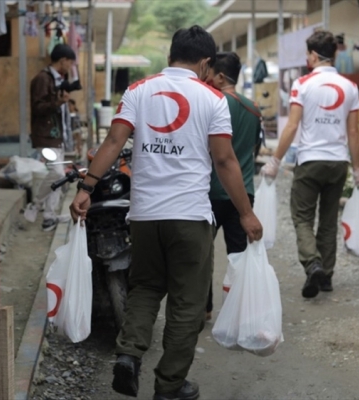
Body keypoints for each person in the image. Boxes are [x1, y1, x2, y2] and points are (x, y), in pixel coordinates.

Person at [70, 26, 263, 400]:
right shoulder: (212, 99)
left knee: (144, 288)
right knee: (188, 304)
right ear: (206, 62)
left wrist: (86, 187)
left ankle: (128, 355)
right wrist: (246, 214)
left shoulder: (139, 90)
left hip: (143, 215)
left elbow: (113, 141)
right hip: (190, 216)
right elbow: (224, 160)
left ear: (171, 54)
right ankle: (169, 386)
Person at [261, 30, 359, 299]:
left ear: (313, 55)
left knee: (302, 218)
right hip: (338, 164)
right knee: (329, 220)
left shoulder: (303, 84)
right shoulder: (349, 87)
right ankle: (326, 277)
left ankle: (313, 263)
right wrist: (358, 169)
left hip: (309, 161)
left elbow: (293, 126)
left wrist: (275, 160)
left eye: (307, 54)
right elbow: (353, 133)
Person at [204, 52, 262, 321]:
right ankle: (237, 310)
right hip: (243, 193)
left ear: (220, 76)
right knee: (237, 254)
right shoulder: (253, 108)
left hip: (211, 190)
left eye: (209, 73)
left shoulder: (213, 102)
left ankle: (203, 310)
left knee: (202, 254)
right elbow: (254, 150)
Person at [30, 44, 75, 232]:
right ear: (63, 60)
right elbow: (38, 108)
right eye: (70, 62)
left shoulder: (58, 80)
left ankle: (49, 217)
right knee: (57, 174)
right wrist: (58, 102)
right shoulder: (43, 79)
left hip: (57, 136)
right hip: (46, 136)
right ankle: (35, 204)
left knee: (60, 176)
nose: (71, 66)